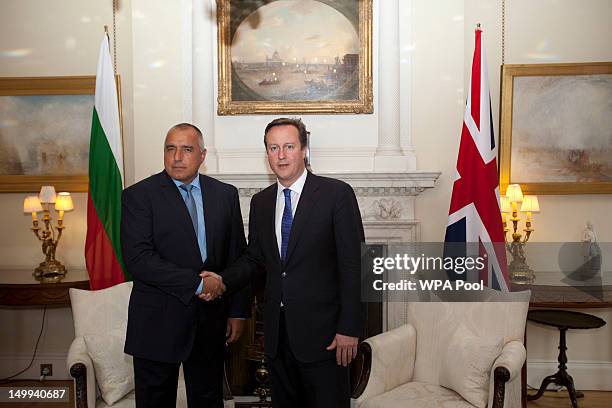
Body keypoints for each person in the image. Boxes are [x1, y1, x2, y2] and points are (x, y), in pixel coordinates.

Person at [204, 118, 365, 408]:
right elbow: (254, 259)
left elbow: (354, 266)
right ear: (266, 154)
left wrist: (349, 329)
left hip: (327, 338)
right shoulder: (261, 202)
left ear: (303, 149)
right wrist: (221, 279)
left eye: (289, 146)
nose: (281, 155)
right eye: (273, 147)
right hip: (278, 339)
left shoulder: (336, 194)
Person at [121, 123, 249, 407]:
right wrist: (199, 283)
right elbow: (139, 260)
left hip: (210, 323)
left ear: (202, 155)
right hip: (157, 324)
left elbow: (238, 256)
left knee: (208, 399)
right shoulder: (139, 196)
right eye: (170, 148)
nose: (177, 156)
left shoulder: (225, 195)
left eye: (186, 149)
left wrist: (238, 312)